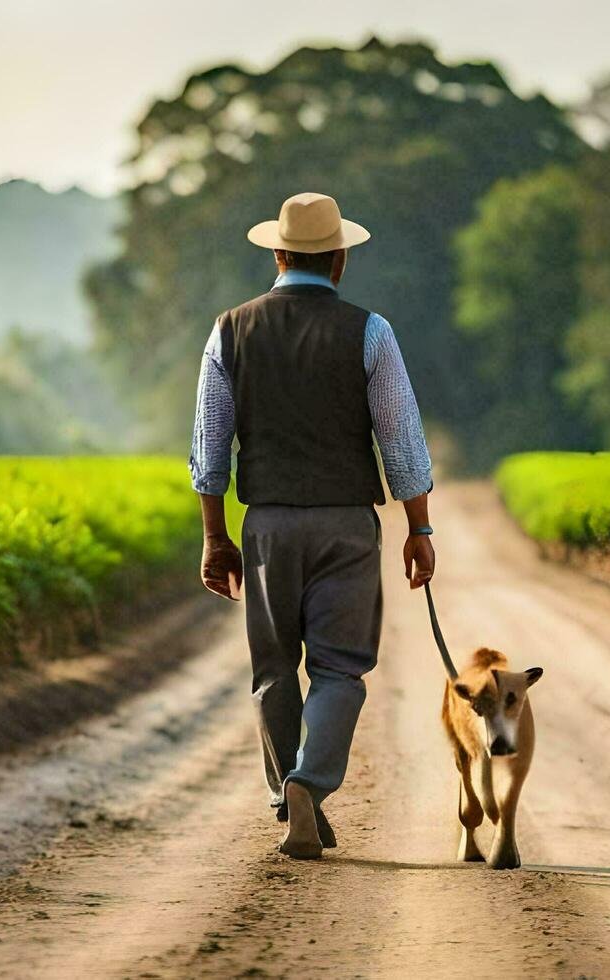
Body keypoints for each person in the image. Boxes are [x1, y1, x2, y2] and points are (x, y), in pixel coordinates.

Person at [188, 191, 436, 860]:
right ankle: (309, 784)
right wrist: (420, 529)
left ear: (277, 253)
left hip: (267, 525)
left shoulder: (228, 330)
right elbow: (401, 440)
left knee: (273, 669)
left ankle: (286, 793)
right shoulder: (371, 332)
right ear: (340, 259)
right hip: (347, 526)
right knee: (339, 669)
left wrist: (216, 537)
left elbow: (209, 447)